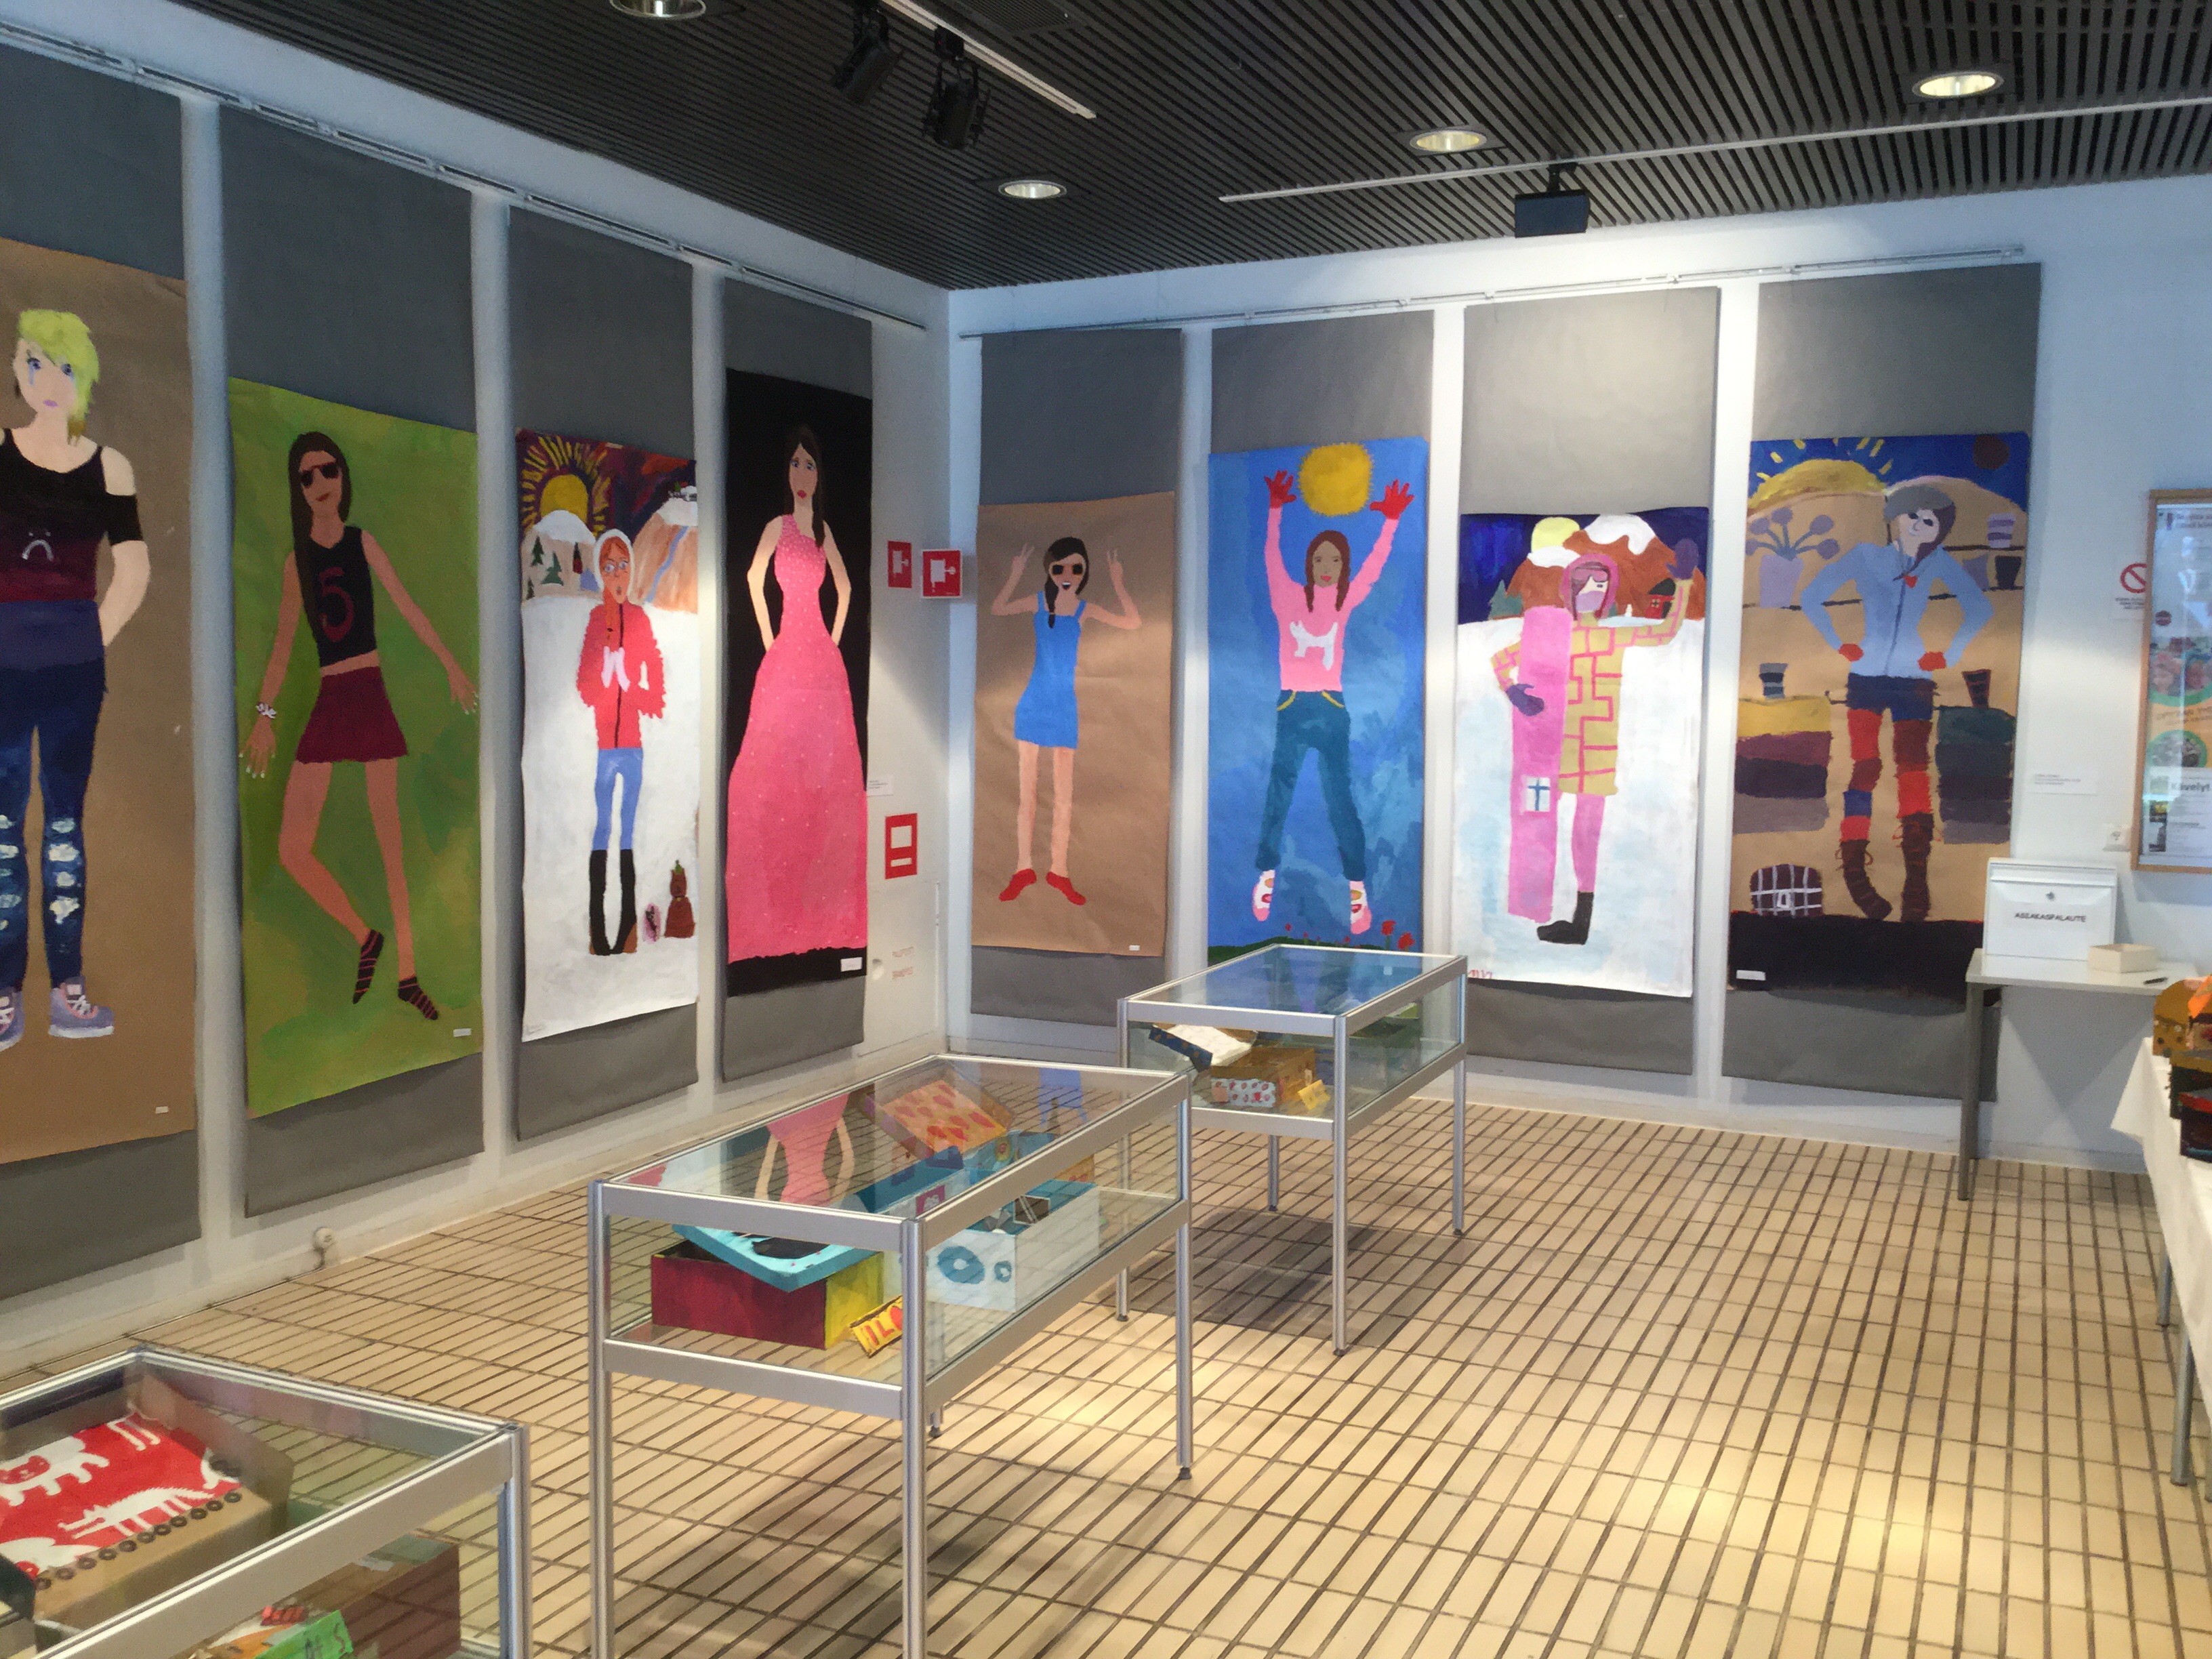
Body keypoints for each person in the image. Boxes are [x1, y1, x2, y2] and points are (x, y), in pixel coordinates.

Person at [243, 430, 477, 1021]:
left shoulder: (362, 543)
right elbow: (281, 649)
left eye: (329, 470)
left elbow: (407, 605)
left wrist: (450, 664)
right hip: (330, 697)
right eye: (308, 476)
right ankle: (364, 934)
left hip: (367, 692)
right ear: (299, 490)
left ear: (343, 477)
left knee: (389, 842)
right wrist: (265, 717)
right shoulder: (297, 563)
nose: (321, 483)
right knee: (292, 848)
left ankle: (407, 974)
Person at [0, 310, 148, 1050]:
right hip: (3, 667)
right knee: (2, 832)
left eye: (61, 366)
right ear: (17, 369)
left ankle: (67, 991)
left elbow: (134, 568)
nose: (46, 380)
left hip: (73, 673)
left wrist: (91, 638)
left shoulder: (109, 468)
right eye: (34, 363)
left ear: (82, 375)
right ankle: (4, 994)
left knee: (62, 827)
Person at [1798, 481, 1992, 922]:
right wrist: (1839, 644)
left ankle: (1917, 880)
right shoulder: (1866, 557)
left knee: (1913, 770)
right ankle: (1855, 875)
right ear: (1896, 518)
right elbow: (1812, 596)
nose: (1921, 526)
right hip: (1866, 677)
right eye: (1914, 517)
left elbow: (1979, 608)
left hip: (1914, 680)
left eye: (1931, 522)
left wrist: (1949, 654)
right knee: (1866, 767)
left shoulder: (1937, 562)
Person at [1493, 535, 1687, 946]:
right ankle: (1533, 904)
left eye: (1601, 585)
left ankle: (1581, 920)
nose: (1592, 592)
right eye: (1585, 584)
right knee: (1538, 821)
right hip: (1551, 749)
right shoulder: (1552, 636)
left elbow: (1665, 633)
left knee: (1587, 832)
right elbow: (1500, 661)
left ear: (1609, 593)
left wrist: (1684, 585)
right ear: (1570, 589)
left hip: (1597, 748)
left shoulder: (1612, 637)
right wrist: (1512, 691)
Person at [1250, 466, 1412, 935]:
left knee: (1340, 798)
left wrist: (1391, 523)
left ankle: (1357, 891)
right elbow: (1270, 557)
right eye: (1320, 558)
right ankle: (1266, 875)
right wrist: (1275, 511)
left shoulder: (1342, 602)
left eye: (1336, 560)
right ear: (1310, 563)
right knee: (1279, 794)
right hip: (1292, 706)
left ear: (1342, 567)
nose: (1327, 565)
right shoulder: (1287, 597)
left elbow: (1374, 569)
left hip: (1330, 707)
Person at [725, 426, 865, 963]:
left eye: (810, 465)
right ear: (786, 471)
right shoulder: (777, 527)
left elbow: (846, 588)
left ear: (818, 474)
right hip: (787, 652)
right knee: (771, 772)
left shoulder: (823, 532)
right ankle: (774, 911)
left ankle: (823, 908)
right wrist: (769, 639)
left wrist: (832, 641)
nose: (802, 474)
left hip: (819, 660)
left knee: (826, 777)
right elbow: (752, 578)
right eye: (796, 463)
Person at [989, 535, 1140, 906]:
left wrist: (1119, 582)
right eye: (1060, 568)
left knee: (1064, 797)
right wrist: (1015, 574)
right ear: (1050, 570)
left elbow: (1133, 622)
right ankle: (1023, 868)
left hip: (1063, 707)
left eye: (1077, 568)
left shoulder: (1085, 609)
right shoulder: (1038, 601)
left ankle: (1059, 870)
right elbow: (998, 608)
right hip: (1033, 703)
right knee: (1027, 794)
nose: (1068, 575)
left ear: (1085, 572)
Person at [575, 530, 665, 956]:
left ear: (631, 571)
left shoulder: (641, 620)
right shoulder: (596, 621)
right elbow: (584, 684)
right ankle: (597, 931)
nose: (617, 575)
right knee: (602, 828)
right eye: (609, 567)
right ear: (600, 572)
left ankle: (628, 928)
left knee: (628, 830)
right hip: (604, 749)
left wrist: (630, 686)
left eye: (623, 565)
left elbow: (657, 688)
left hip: (632, 747)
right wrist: (603, 681)